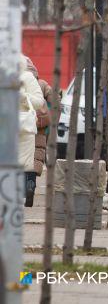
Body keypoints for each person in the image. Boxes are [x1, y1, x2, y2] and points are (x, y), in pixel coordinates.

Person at [24, 57, 53, 207]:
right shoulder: (41, 84)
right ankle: (30, 185)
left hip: (22, 128)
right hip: (39, 129)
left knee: (21, 158)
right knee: (35, 157)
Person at [18, 55, 46, 207]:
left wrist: (22, 97)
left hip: (23, 127)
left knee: (24, 164)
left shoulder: (27, 77)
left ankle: (26, 190)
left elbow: (38, 101)